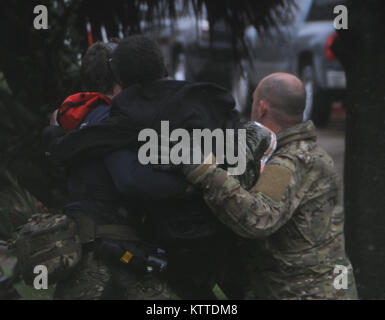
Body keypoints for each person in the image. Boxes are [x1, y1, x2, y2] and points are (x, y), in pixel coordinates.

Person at [46, 35, 276, 299]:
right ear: (163, 66)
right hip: (221, 227)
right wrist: (199, 181)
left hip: (173, 238)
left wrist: (56, 139)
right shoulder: (205, 98)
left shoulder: (111, 119)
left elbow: (123, 174)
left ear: (121, 77)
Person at [173, 72, 358, 300]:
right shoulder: (304, 153)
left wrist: (204, 171)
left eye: (252, 101)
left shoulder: (292, 161)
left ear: (261, 108)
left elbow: (258, 219)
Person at [43, 41, 189, 299]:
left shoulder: (79, 118)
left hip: (86, 255)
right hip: (111, 264)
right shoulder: (111, 121)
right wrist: (189, 183)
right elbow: (130, 180)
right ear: (121, 79)